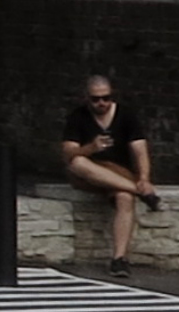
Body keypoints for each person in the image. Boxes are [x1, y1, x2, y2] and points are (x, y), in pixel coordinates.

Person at [57, 74, 159, 270]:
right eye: (96, 99)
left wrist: (144, 178)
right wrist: (91, 148)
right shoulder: (78, 117)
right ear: (87, 98)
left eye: (106, 98)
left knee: (124, 198)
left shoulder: (126, 115)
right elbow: (68, 154)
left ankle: (119, 259)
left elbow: (140, 150)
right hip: (89, 172)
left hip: (118, 172)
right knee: (78, 163)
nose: (101, 103)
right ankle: (141, 192)